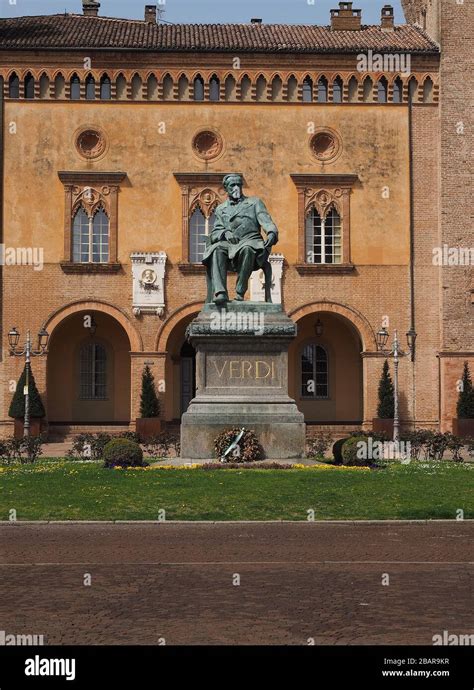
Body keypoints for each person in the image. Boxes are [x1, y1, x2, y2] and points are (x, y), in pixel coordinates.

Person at [202, 173, 278, 305]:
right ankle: (220, 293)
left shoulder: (254, 203)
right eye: (232, 185)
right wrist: (225, 233)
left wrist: (271, 232)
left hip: (252, 241)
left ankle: (240, 291)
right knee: (217, 250)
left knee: (247, 249)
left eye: (239, 184)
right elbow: (215, 232)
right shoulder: (221, 209)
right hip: (231, 245)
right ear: (226, 188)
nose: (236, 187)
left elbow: (266, 221)